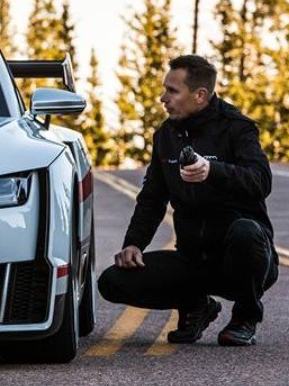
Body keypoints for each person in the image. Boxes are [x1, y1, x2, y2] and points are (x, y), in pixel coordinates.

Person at [98, 55, 278, 347]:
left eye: (172, 91)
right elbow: (152, 198)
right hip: (193, 259)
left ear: (200, 95)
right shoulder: (165, 136)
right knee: (112, 281)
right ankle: (196, 305)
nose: (162, 98)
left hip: (243, 262)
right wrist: (134, 243)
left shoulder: (237, 128)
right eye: (165, 89)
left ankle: (245, 317)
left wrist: (213, 170)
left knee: (247, 232)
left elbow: (260, 181)